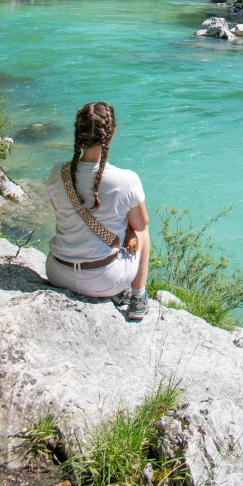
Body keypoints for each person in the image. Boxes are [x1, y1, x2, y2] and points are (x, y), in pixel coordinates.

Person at [45, 101, 150, 321]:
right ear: (112, 134)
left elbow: (58, 210)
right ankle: (138, 296)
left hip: (57, 273)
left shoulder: (57, 171)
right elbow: (140, 224)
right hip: (104, 281)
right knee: (142, 230)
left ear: (78, 133)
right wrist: (130, 231)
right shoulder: (127, 179)